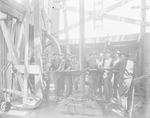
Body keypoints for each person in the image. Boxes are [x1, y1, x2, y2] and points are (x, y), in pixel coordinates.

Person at [108, 51, 134, 117]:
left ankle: (123, 112)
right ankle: (129, 111)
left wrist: (104, 68)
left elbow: (112, 68)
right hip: (131, 80)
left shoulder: (121, 62)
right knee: (130, 96)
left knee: (123, 96)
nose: (120, 56)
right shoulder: (132, 62)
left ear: (123, 56)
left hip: (124, 80)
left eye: (121, 55)